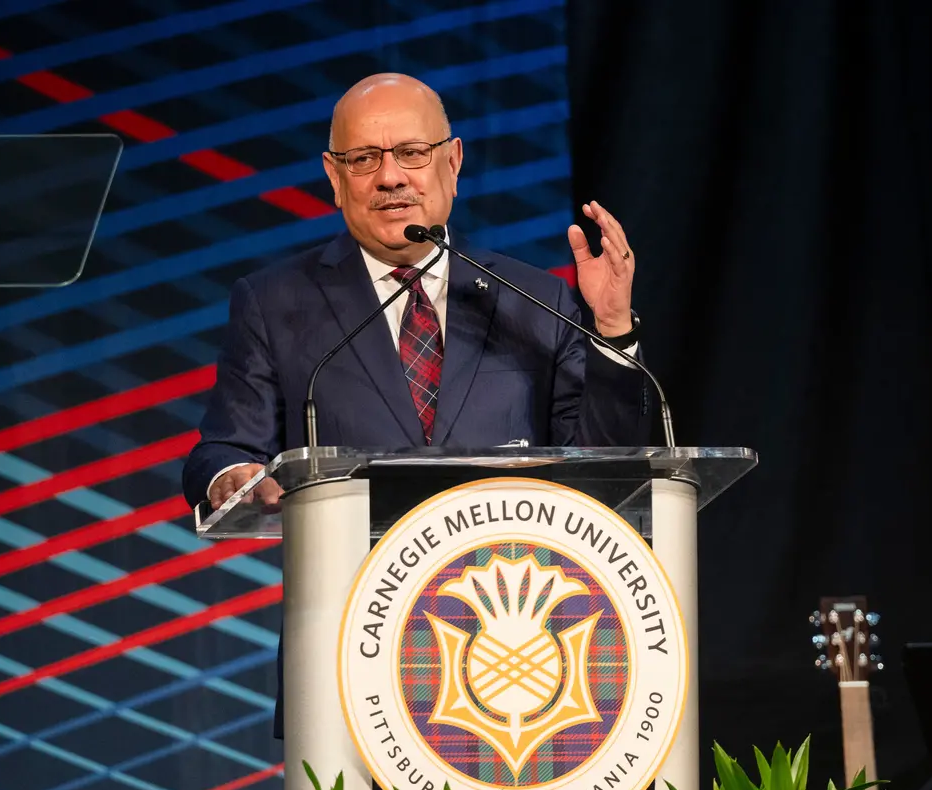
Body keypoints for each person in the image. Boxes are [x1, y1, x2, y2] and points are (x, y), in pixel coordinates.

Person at [180, 72, 649, 513]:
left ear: (453, 162)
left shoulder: (537, 300)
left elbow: (605, 469)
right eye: (363, 159)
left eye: (411, 152)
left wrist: (611, 327)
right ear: (335, 178)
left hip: (510, 585)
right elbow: (226, 449)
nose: (390, 177)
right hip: (351, 592)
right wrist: (231, 475)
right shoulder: (275, 304)